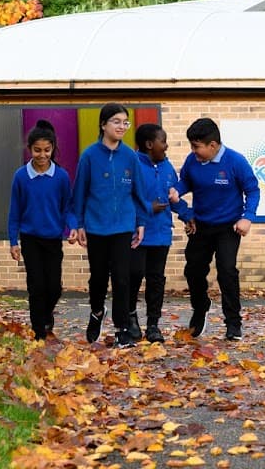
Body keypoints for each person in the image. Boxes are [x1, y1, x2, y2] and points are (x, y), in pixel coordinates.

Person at [168, 117, 260, 341]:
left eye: (196, 146)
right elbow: (186, 182)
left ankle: (233, 323)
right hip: (201, 225)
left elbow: (253, 190)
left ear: (212, 145)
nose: (193, 151)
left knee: (227, 271)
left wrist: (247, 217)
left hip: (228, 227)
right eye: (191, 146)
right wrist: (177, 191)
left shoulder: (235, 162)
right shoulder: (193, 161)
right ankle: (201, 307)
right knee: (193, 270)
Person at [70, 103, 148, 348]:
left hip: (123, 226)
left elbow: (139, 192)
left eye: (125, 122)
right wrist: (79, 223)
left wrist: (141, 222)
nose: (122, 126)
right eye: (116, 121)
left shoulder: (130, 157)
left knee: (122, 279)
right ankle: (96, 312)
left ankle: (122, 329)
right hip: (96, 227)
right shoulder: (89, 156)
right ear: (103, 125)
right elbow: (79, 193)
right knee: (99, 278)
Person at [7, 119, 73, 341]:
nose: (42, 155)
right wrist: (13, 241)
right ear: (30, 150)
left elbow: (68, 207)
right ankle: (39, 332)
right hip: (30, 239)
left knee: (53, 287)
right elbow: (14, 211)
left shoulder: (61, 177)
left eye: (47, 150)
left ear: (53, 149)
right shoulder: (21, 177)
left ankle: (46, 316)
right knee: (36, 286)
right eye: (37, 150)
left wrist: (72, 227)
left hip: (53, 239)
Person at [130, 123, 190, 343]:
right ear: (149, 144)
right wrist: (148, 207)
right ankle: (131, 319)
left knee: (156, 280)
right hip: (137, 235)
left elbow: (172, 199)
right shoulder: (133, 165)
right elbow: (126, 199)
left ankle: (153, 324)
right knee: (134, 276)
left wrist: (187, 215)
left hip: (161, 234)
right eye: (162, 141)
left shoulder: (167, 167)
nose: (166, 146)